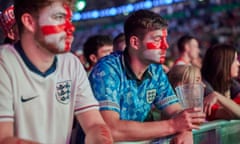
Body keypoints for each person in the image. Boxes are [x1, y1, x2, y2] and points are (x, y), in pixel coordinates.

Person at [0, 0, 113, 143]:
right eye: (59, 18)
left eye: (69, 19)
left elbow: (94, 124)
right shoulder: (4, 64)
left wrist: (100, 138)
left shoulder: (71, 63)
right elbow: (3, 138)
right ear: (29, 22)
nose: (70, 28)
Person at [89, 9, 205, 143]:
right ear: (135, 43)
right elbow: (110, 129)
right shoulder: (106, 70)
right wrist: (173, 126)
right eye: (157, 40)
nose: (165, 45)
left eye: (165, 39)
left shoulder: (155, 70)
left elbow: (175, 110)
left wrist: (185, 130)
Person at [201, 43, 240, 121]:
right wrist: (218, 96)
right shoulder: (203, 87)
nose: (238, 64)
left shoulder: (232, 83)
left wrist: (218, 96)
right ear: (224, 63)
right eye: (235, 60)